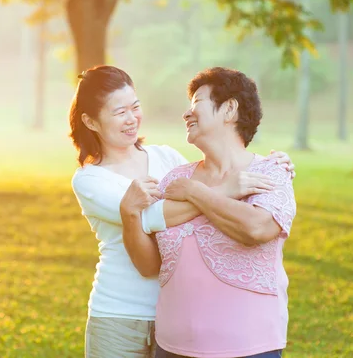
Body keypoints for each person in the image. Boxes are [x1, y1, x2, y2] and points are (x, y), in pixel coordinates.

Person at [69, 65, 296, 358]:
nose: (131, 119)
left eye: (135, 107)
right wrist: (221, 190)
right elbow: (153, 219)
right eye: (118, 112)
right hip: (121, 310)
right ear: (91, 121)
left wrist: (274, 164)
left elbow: (216, 172)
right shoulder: (90, 179)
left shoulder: (168, 160)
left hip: (174, 320)